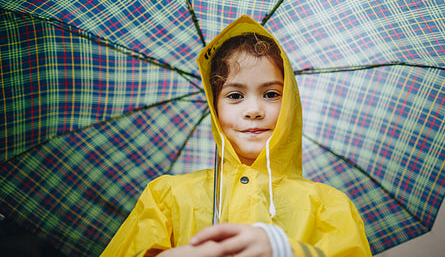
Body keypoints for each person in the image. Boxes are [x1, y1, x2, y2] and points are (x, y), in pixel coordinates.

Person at [101, 15, 371, 257]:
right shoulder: (166, 197)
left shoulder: (329, 206)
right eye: (235, 96)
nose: (253, 110)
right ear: (215, 108)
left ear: (290, 103)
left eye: (271, 94)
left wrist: (282, 250)